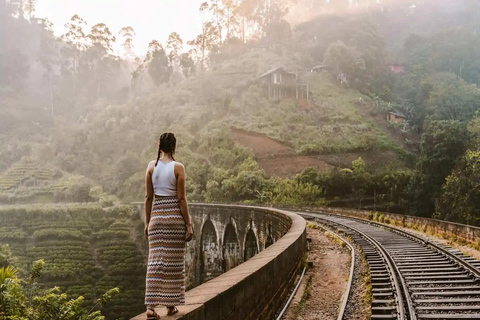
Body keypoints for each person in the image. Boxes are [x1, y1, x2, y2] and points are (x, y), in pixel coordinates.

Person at [143, 132, 194, 319]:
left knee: (155, 262)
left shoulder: (151, 167)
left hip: (156, 217)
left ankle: (150, 306)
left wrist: (147, 223)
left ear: (160, 146)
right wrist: (188, 224)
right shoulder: (178, 167)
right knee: (173, 263)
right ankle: (171, 306)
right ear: (174, 147)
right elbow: (181, 199)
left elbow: (148, 197)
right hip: (174, 219)